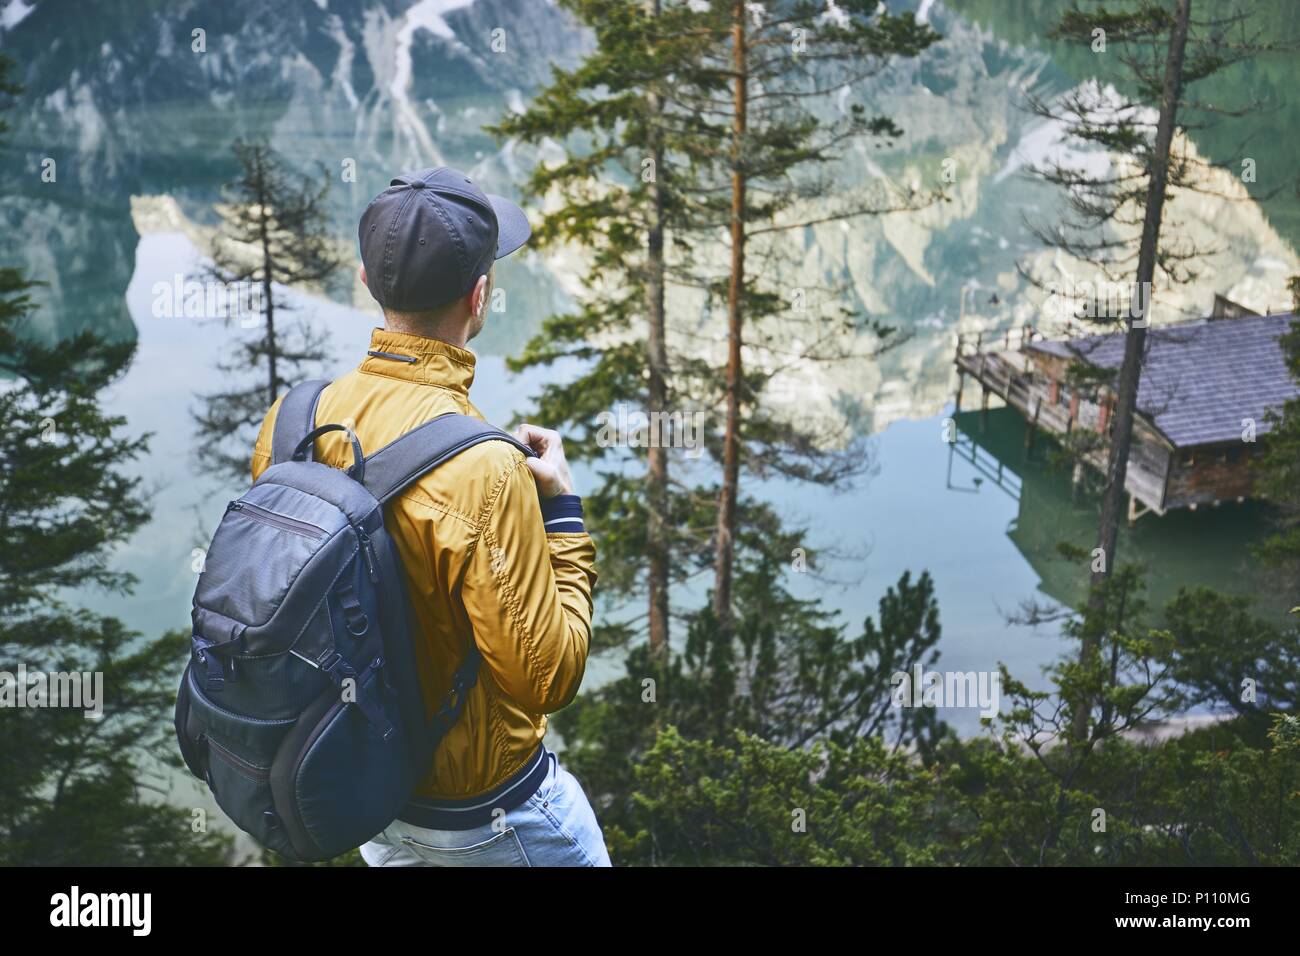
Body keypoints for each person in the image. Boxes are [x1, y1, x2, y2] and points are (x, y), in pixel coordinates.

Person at [249, 167, 610, 867]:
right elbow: (548, 677)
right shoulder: (484, 467)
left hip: (366, 797)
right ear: (479, 297)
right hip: (493, 819)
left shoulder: (294, 420)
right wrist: (562, 513)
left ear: (365, 277)